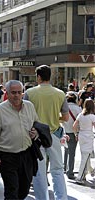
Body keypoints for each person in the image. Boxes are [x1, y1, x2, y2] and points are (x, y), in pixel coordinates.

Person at [0, 80, 39, 199]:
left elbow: (36, 124)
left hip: (26, 154)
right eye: (13, 92)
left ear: (23, 93)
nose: (16, 95)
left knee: (24, 189)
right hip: (7, 156)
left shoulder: (29, 106)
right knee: (12, 190)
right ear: (7, 93)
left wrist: (35, 132)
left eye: (19, 92)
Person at [24, 65, 69, 200]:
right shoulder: (60, 94)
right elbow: (66, 118)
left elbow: (25, 116)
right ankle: (61, 198)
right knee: (57, 170)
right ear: (50, 76)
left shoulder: (30, 93)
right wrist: (55, 117)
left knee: (39, 171)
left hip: (35, 136)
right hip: (54, 134)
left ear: (38, 77)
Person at [73, 99, 95, 183]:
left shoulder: (80, 115)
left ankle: (87, 172)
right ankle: (79, 177)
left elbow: (74, 126)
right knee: (85, 157)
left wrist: (76, 134)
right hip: (88, 136)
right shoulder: (92, 117)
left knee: (85, 156)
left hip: (81, 135)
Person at [62, 92, 81, 180]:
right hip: (73, 133)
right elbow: (79, 122)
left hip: (64, 131)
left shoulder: (64, 108)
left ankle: (64, 168)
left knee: (66, 150)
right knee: (72, 153)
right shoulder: (78, 108)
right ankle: (70, 172)